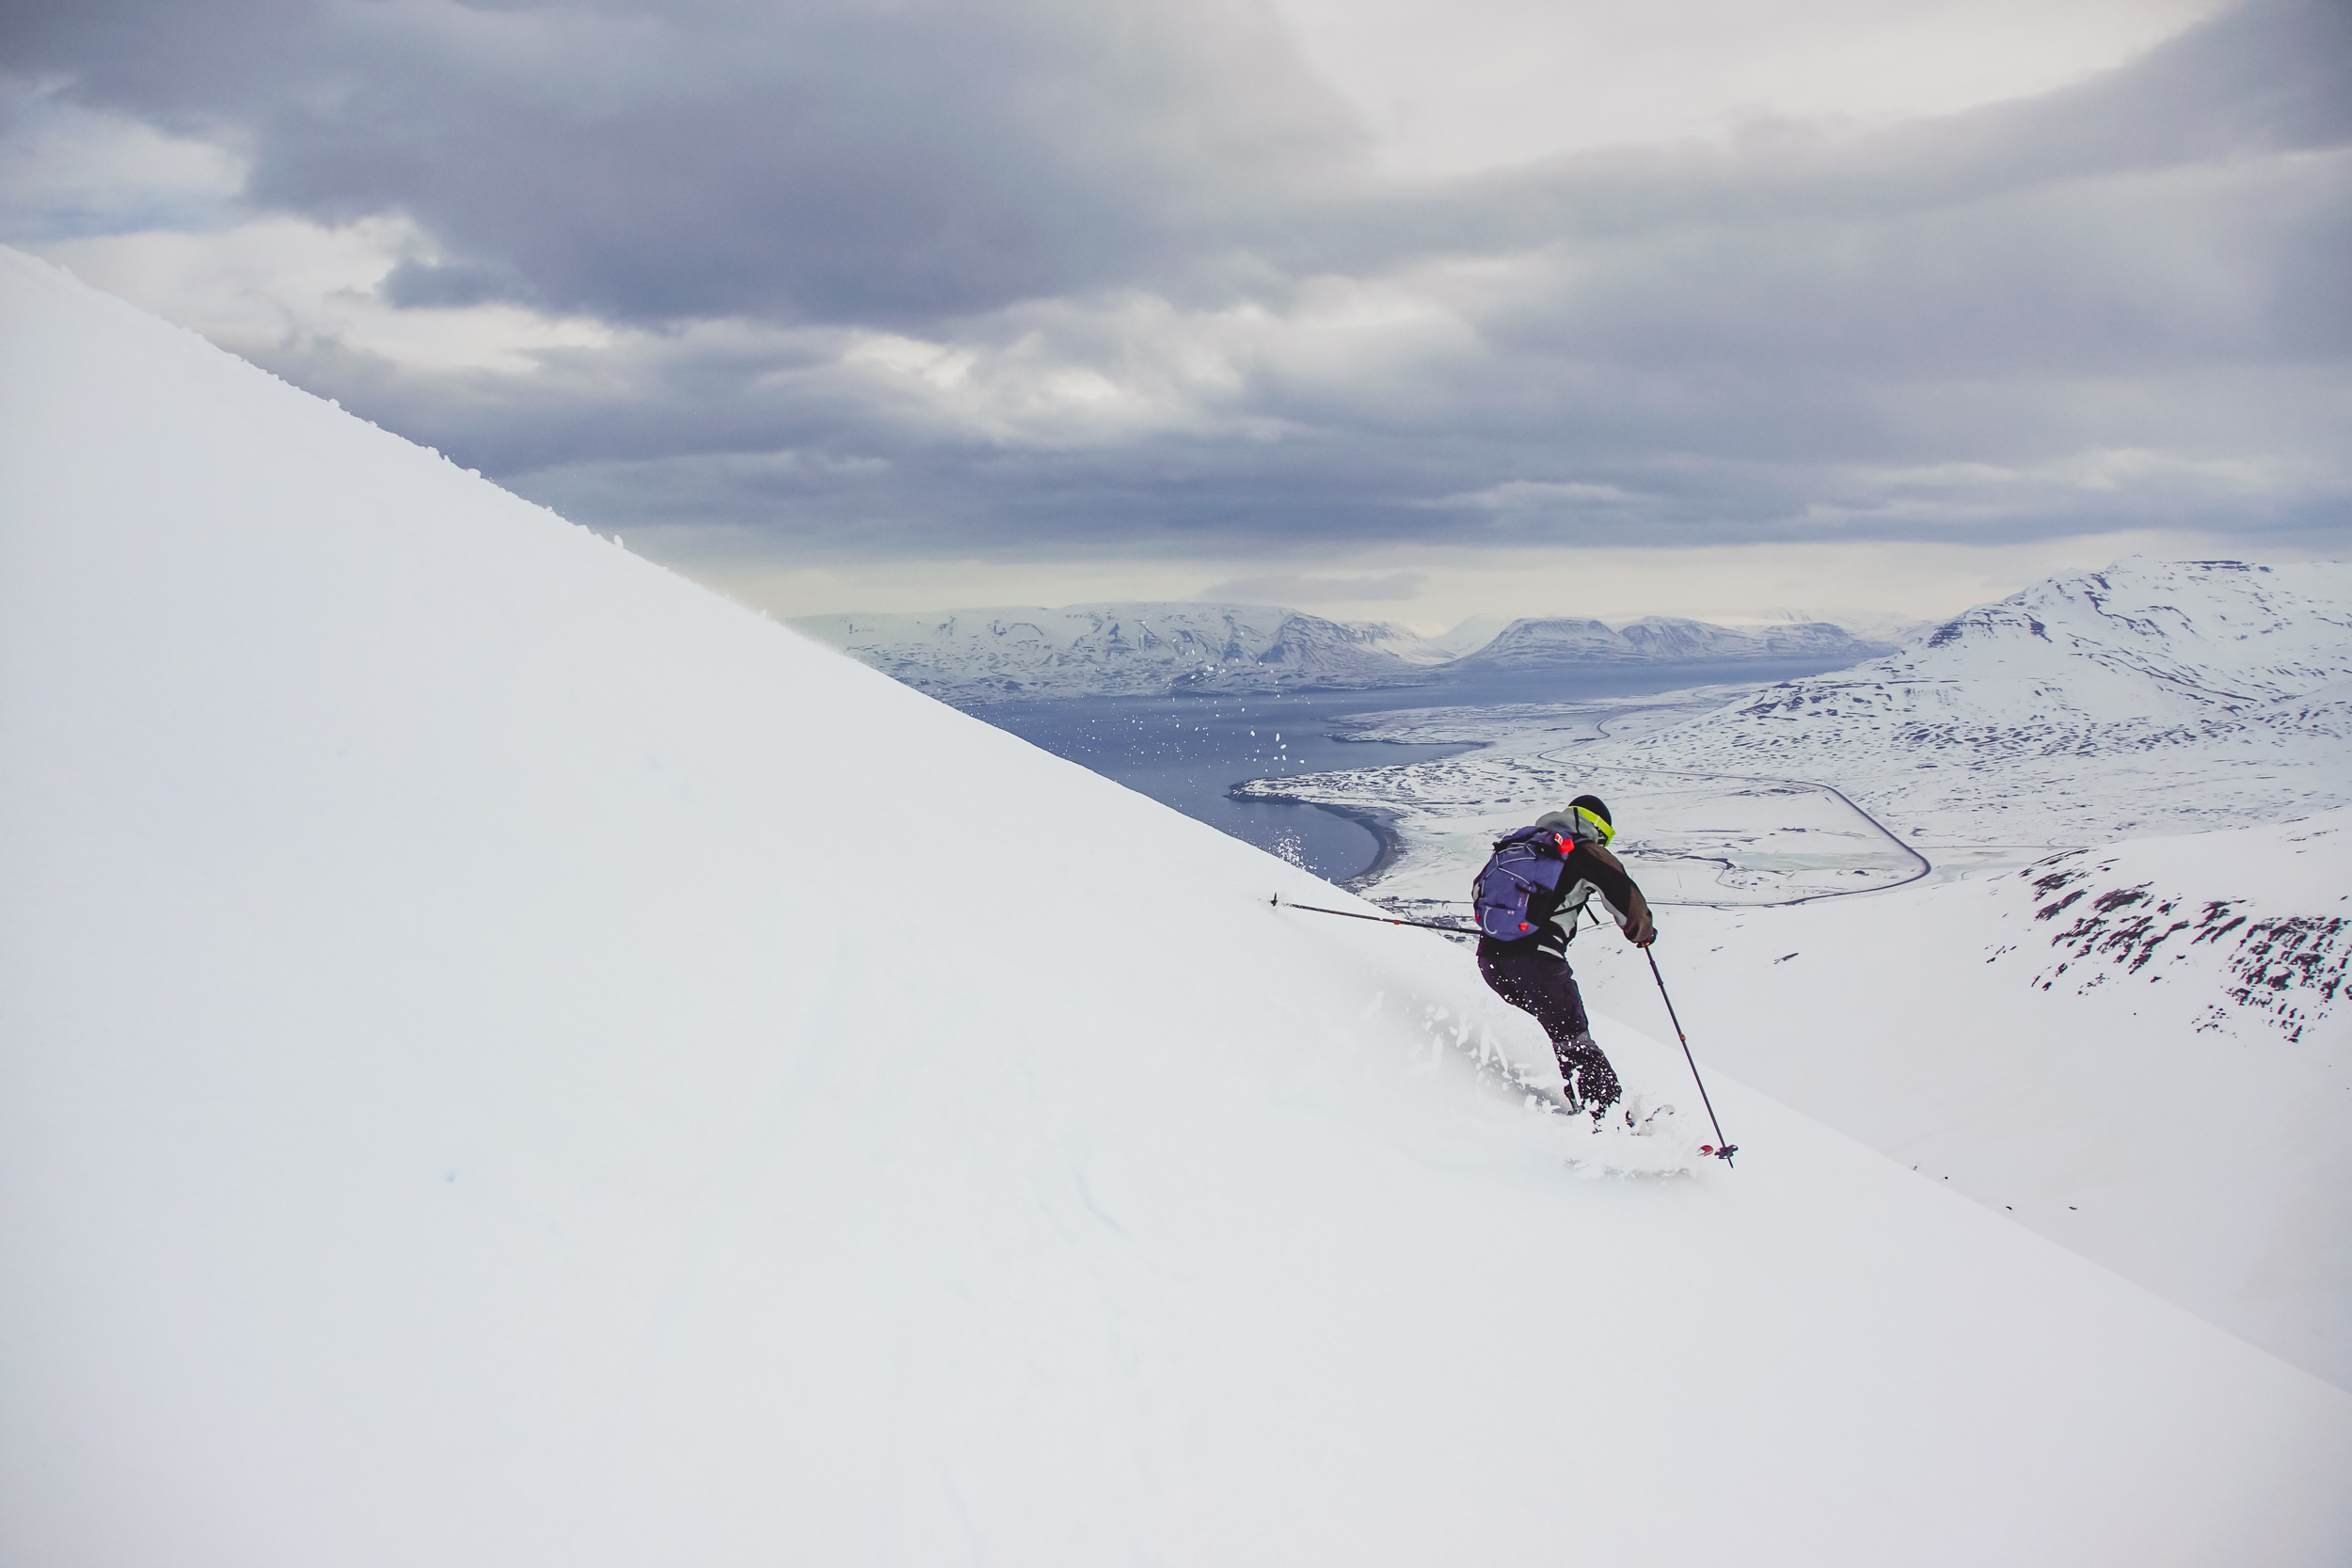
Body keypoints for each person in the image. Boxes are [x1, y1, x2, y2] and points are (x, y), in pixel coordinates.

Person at [1472, 794, 1656, 1118]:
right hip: (1537, 965)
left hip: (1490, 961)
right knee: (1573, 1039)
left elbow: (1478, 891)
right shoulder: (1585, 851)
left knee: (1564, 1034)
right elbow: (1627, 900)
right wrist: (1642, 934)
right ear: (1599, 829)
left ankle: (1593, 1111)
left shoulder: (1523, 843)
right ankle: (1609, 1120)